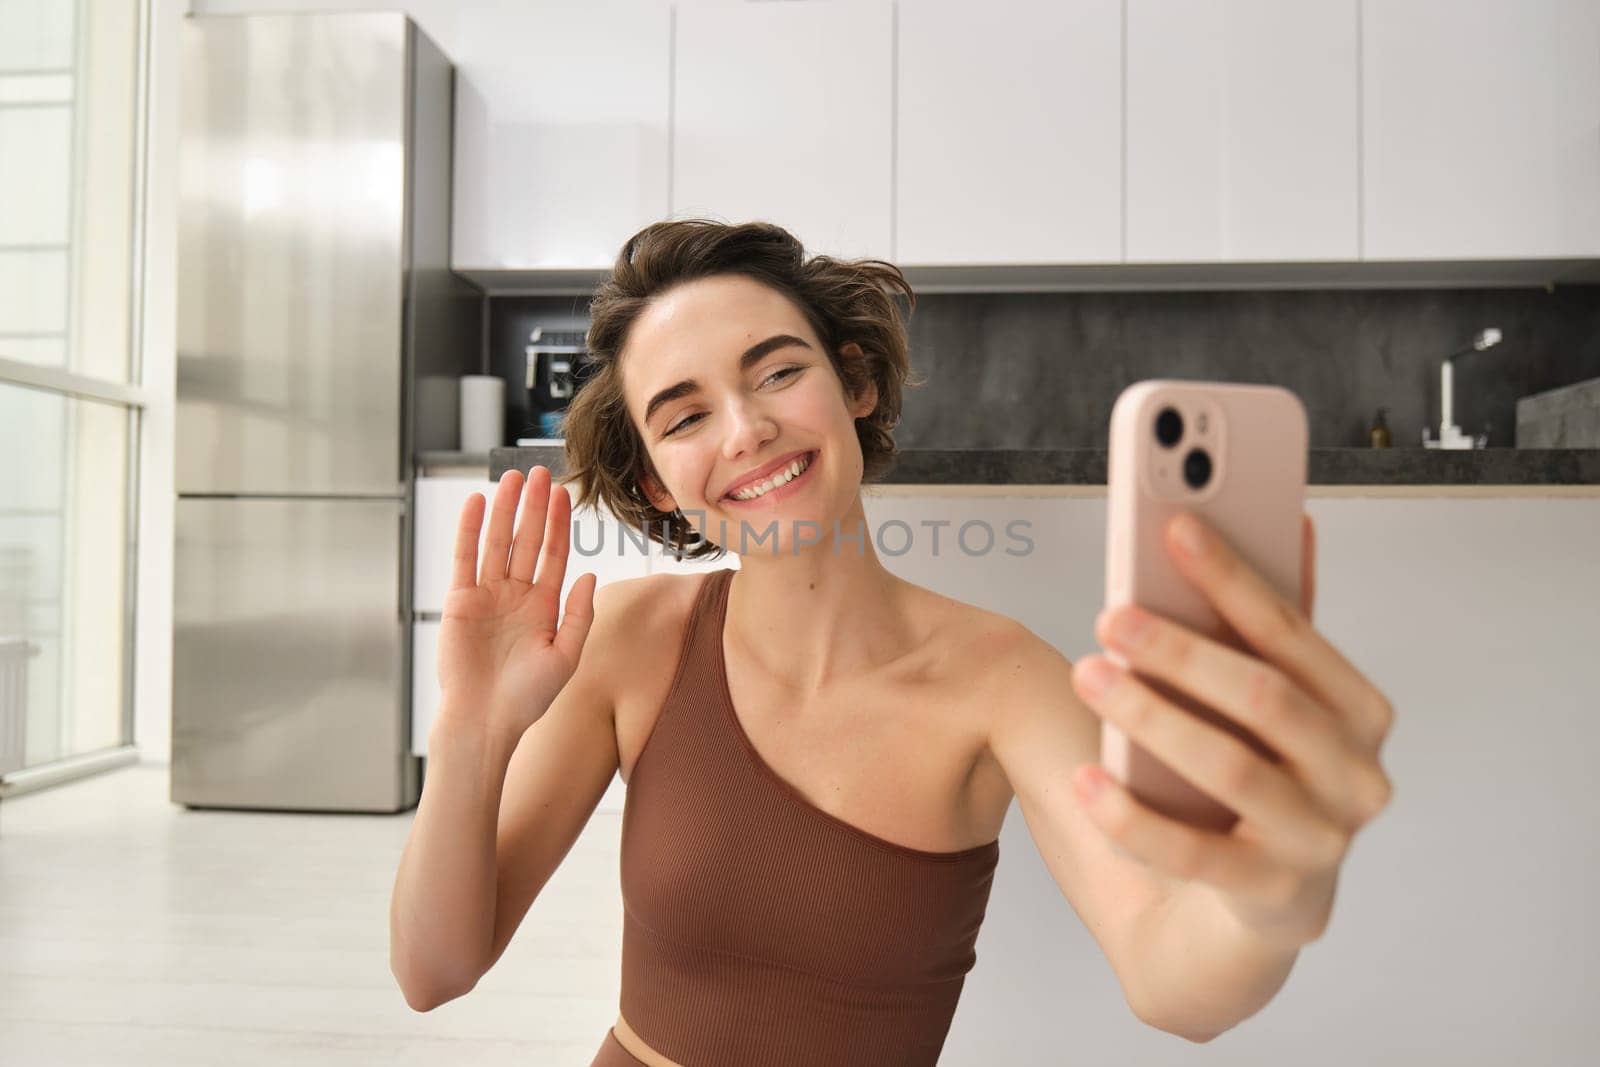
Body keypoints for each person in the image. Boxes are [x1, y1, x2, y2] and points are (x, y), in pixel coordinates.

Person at [389, 220, 1395, 1066]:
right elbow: (434, 969)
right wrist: (471, 728)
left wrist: (1270, 899)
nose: (743, 429)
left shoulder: (1002, 680)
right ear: (657, 481)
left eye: (777, 370)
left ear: (854, 384)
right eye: (685, 414)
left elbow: (1172, 976)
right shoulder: (630, 638)